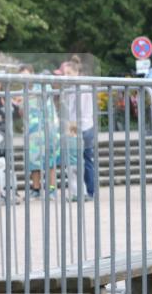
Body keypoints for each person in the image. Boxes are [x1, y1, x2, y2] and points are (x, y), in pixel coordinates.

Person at [16, 64, 60, 199]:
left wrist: (26, 97)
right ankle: (36, 189)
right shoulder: (22, 91)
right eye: (21, 76)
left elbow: (45, 96)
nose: (24, 78)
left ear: (32, 73)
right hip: (32, 130)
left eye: (26, 75)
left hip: (48, 128)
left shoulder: (41, 84)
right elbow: (22, 113)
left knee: (50, 160)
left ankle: (52, 190)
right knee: (33, 161)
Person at [60, 56, 96, 199]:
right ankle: (90, 191)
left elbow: (76, 112)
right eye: (64, 74)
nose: (65, 77)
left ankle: (82, 191)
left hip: (79, 126)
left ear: (76, 72)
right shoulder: (83, 85)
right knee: (87, 159)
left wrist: (70, 129)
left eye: (68, 73)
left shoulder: (77, 88)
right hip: (87, 125)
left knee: (78, 160)